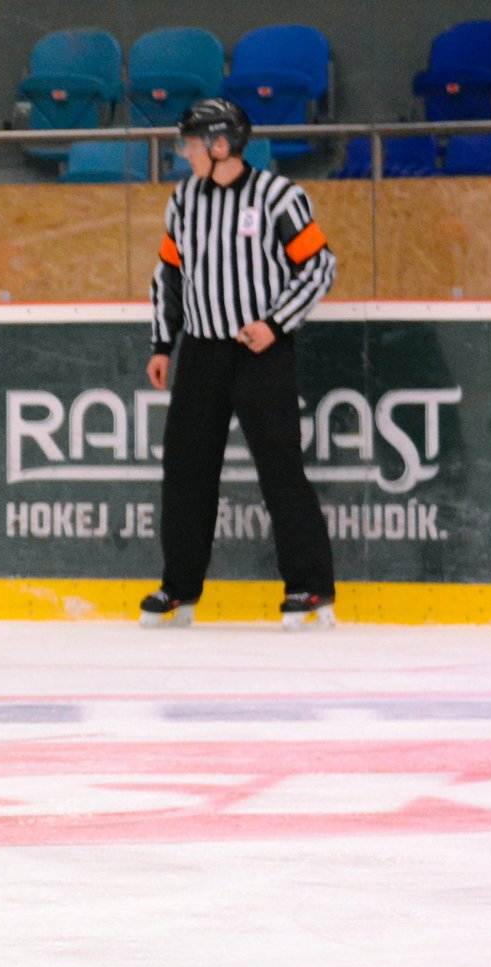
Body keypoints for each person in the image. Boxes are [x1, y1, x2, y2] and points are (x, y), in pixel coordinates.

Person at [142, 98, 339, 630]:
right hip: (200, 352)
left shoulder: (278, 196)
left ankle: (309, 586)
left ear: (221, 145)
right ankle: (178, 587)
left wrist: (275, 323)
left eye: (191, 144)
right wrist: (163, 344)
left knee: (280, 469)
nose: (184, 153)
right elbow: (169, 276)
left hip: (260, 352)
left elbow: (319, 266)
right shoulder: (184, 199)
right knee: (185, 470)